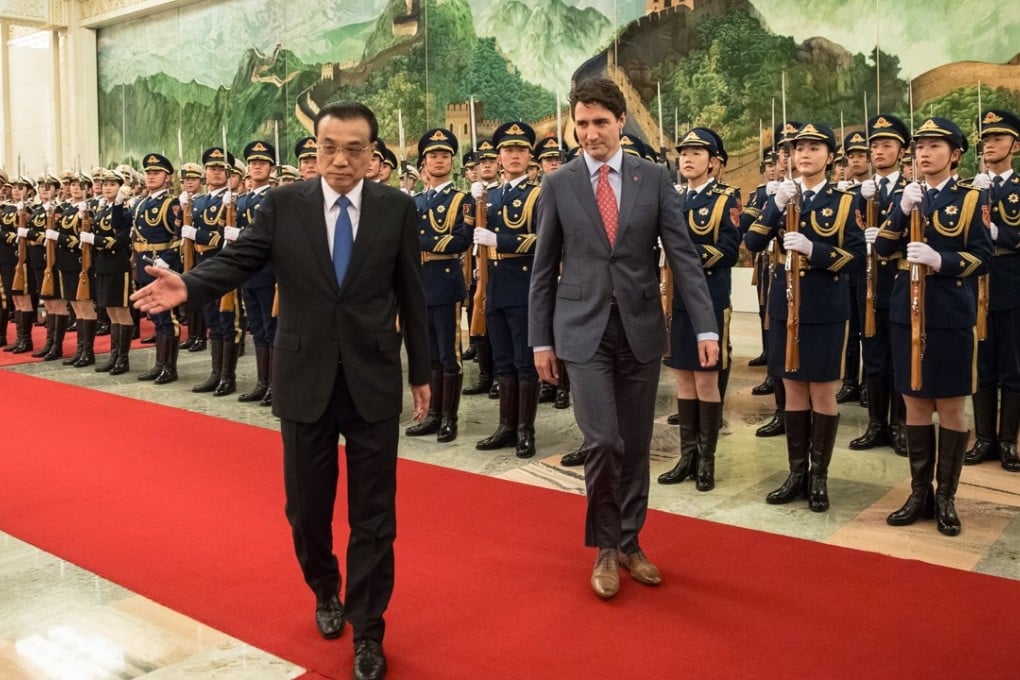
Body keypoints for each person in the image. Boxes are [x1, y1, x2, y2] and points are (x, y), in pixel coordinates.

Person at [132, 101, 429, 680]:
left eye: (354, 149)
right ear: (314, 150)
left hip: (370, 380)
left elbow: (411, 293)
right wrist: (188, 285)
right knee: (306, 511)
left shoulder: (396, 209)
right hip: (304, 379)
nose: (341, 161)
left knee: (375, 516)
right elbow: (240, 260)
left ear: (374, 154)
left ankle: (368, 629)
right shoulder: (284, 204)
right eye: (329, 148)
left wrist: (423, 371)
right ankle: (325, 588)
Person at [529, 77, 718, 600]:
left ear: (619, 124)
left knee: (634, 445)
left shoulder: (652, 178)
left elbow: (683, 256)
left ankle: (631, 542)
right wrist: (539, 341)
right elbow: (543, 269)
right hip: (580, 332)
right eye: (582, 124)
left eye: (600, 123)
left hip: (639, 329)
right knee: (604, 441)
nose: (590, 133)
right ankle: (605, 547)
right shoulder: (559, 183)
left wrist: (705, 324)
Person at [876, 117, 992, 537]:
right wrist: (900, 210)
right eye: (919, 146)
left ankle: (946, 497)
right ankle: (919, 492)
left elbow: (983, 257)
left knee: (951, 407)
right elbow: (884, 249)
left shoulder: (970, 199)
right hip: (907, 313)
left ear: (955, 154)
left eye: (934, 146)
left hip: (949, 315)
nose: (923, 153)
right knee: (915, 403)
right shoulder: (909, 196)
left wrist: (942, 261)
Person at [745, 122, 864, 512]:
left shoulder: (846, 202)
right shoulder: (782, 197)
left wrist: (816, 250)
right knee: (793, 389)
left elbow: (857, 259)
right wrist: (775, 206)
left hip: (825, 305)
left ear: (830, 157)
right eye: (798, 149)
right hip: (785, 303)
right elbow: (750, 243)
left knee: (823, 392)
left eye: (814, 148)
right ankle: (796, 473)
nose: (804, 155)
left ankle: (819, 477)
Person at [658, 127, 740, 491]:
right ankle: (686, 455)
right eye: (684, 153)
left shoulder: (727, 198)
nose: (687, 159)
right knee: (683, 377)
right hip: (676, 298)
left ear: (715, 162)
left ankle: (706, 460)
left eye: (696, 153)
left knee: (706, 379)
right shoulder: (673, 198)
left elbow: (729, 250)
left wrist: (686, 256)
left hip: (709, 296)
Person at [473, 121, 543, 458]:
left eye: (520, 150)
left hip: (525, 288)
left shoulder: (538, 194)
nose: (514, 155)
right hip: (497, 289)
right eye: (507, 150)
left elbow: (545, 240)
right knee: (503, 363)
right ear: (499, 157)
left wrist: (500, 240)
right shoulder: (490, 195)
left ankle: (526, 430)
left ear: (530, 156)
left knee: (525, 363)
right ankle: (506, 426)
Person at [404, 128, 473, 442]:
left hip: (445, 283)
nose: (440, 159)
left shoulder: (462, 199)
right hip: (419, 284)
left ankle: (449, 417)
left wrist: (422, 241)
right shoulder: (414, 201)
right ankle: (432, 414)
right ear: (423, 162)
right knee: (428, 355)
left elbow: (460, 240)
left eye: (445, 155)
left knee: (449, 355)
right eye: (433, 155)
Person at [963, 109, 1020, 472]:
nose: (989, 145)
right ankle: (984, 437)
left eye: (998, 138)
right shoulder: (970, 188)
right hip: (974, 286)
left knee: (1012, 365)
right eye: (986, 139)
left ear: (1015, 144)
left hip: (1012, 284)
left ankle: (1008, 441)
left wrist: (998, 233)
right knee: (980, 364)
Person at [851, 114, 911, 454]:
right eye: (874, 146)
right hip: (869, 280)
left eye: (886, 145)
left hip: (900, 279)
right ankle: (875, 424)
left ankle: (898, 424)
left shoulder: (911, 190)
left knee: (899, 353)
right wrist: (863, 199)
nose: (878, 151)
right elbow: (853, 231)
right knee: (872, 351)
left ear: (901, 152)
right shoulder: (863, 191)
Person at [236, 140, 278, 405]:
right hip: (248, 273)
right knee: (258, 331)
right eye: (252, 163)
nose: (256, 167)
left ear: (271, 168)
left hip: (268, 271)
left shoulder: (274, 198)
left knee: (272, 329)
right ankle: (262, 382)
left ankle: (276, 384)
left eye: (261, 163)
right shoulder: (242, 200)